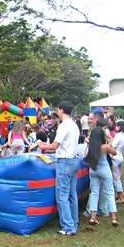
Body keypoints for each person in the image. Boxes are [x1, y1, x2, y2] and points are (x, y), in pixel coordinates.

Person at [40, 101, 80, 236]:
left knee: (62, 196)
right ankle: (74, 223)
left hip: (64, 162)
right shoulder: (74, 125)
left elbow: (55, 146)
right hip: (74, 160)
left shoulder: (63, 126)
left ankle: (68, 227)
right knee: (72, 195)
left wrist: (42, 145)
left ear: (61, 110)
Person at [85, 127, 119, 226]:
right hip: (104, 169)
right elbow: (115, 152)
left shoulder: (90, 145)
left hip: (93, 170)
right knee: (109, 192)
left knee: (94, 193)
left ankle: (92, 217)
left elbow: (87, 139)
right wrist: (109, 140)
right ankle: (113, 218)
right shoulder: (105, 147)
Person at [112, 120, 124, 204]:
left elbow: (113, 146)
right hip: (121, 158)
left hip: (115, 157)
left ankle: (121, 196)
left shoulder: (118, 136)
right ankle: (119, 194)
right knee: (117, 177)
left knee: (116, 178)